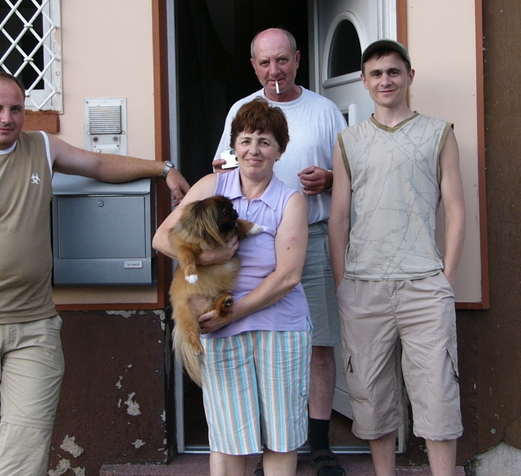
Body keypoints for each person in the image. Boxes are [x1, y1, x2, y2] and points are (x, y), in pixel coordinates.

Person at [0, 71, 190, 476]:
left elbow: (98, 163)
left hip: (33, 327)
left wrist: (162, 168)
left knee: (26, 446)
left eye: (16, 109)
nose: (7, 118)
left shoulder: (40, 147)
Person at [212, 28, 347, 476]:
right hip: (246, 250)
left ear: (298, 59)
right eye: (265, 62)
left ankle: (321, 444)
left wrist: (328, 180)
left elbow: (350, 176)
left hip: (310, 238)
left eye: (282, 60)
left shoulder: (325, 110)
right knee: (253, 345)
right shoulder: (242, 110)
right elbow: (220, 172)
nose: (275, 70)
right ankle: (261, 448)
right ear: (254, 67)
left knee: (319, 343)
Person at [328, 40, 466, 476]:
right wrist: (342, 281)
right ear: (364, 82)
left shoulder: (439, 132)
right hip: (363, 286)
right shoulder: (349, 140)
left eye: (393, 71)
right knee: (370, 396)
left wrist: (446, 276)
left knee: (438, 394)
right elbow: (339, 217)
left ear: (409, 75)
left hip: (424, 285)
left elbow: (457, 209)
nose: (385, 80)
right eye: (375, 73)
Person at [155, 98, 311, 476]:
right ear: (234, 145)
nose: (253, 150)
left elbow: (288, 276)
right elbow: (162, 238)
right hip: (217, 323)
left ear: (279, 150)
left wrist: (233, 314)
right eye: (245, 140)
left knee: (280, 435)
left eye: (264, 141)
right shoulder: (212, 187)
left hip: (279, 327)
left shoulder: (290, 201)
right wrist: (209, 258)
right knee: (228, 437)